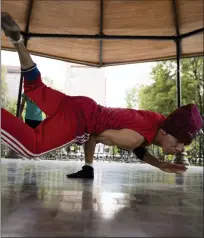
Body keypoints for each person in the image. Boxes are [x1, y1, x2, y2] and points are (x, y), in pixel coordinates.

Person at [1, 13, 203, 178]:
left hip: (81, 104)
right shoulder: (136, 138)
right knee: (32, 147)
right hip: (80, 119)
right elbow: (98, 137)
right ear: (166, 132)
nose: (179, 149)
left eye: (182, 145)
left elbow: (141, 144)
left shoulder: (155, 120)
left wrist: (158, 164)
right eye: (178, 142)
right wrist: (89, 135)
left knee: (34, 87)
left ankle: (17, 40)